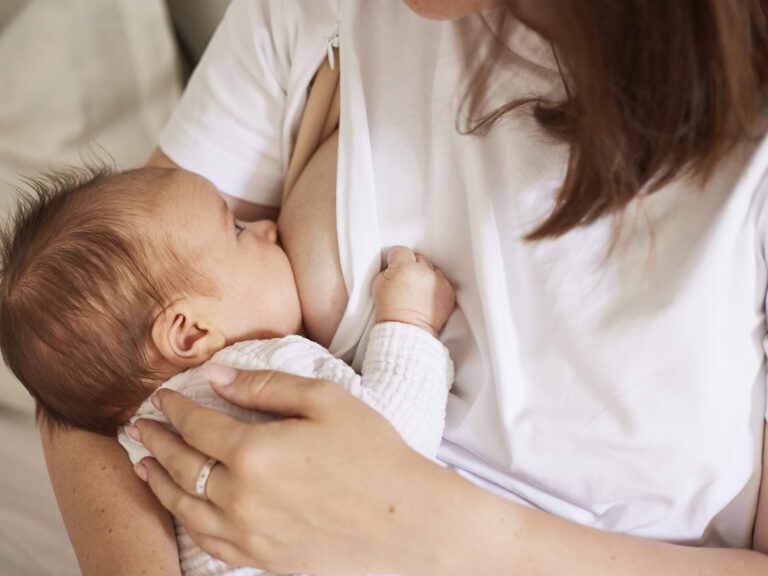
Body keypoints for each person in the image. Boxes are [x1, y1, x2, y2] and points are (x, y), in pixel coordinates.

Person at [38, 0, 768, 574]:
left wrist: (424, 529)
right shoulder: (316, 15)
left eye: (245, 224)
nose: (259, 231)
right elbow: (85, 366)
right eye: (238, 229)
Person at [0, 163, 455, 575]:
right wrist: (410, 321)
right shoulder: (263, 371)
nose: (268, 227)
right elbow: (397, 454)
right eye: (237, 230)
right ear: (191, 334)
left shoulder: (138, 445)